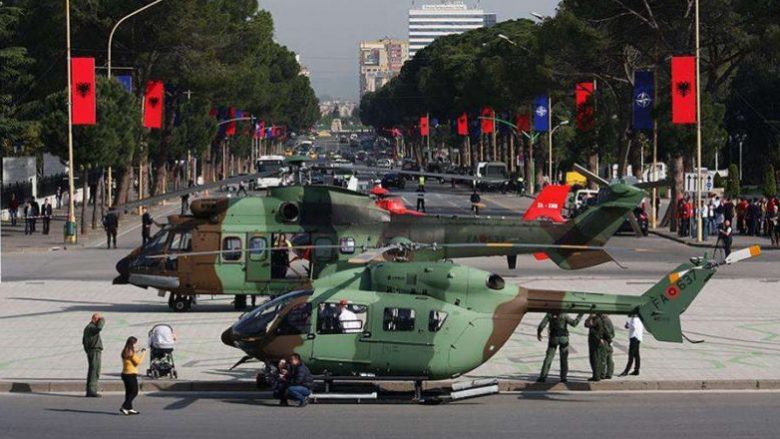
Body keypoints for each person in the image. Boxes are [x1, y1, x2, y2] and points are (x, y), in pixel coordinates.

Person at [536, 312, 583, 383]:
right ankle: (563, 377)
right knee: (564, 358)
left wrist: (539, 333)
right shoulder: (564, 315)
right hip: (564, 338)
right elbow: (574, 323)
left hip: (553, 338)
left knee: (548, 357)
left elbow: (542, 325)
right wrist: (580, 315)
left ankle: (543, 377)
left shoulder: (550, 314)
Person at [120, 336, 146, 415]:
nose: (136, 346)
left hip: (124, 374)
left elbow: (132, 353)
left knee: (128, 392)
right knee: (134, 392)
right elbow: (138, 362)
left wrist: (137, 351)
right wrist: (143, 354)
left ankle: (129, 408)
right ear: (132, 344)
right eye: (135, 344)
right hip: (131, 374)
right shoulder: (132, 354)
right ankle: (124, 406)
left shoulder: (125, 351)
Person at [82, 313, 105, 397]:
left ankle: (92, 389)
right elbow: (99, 328)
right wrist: (102, 320)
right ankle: (91, 390)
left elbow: (84, 341)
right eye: (98, 320)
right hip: (94, 350)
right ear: (95, 319)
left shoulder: (89, 328)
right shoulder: (91, 327)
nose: (99, 322)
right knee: (94, 370)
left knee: (95, 370)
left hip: (93, 350)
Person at [619, 312, 644, 376]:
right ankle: (636, 370)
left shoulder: (634, 318)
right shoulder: (640, 318)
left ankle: (626, 371)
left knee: (631, 355)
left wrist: (628, 325)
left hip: (634, 337)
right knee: (637, 355)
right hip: (638, 338)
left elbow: (634, 327)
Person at [585, 313, 605, 382]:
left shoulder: (596, 319)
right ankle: (597, 375)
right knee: (596, 359)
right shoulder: (597, 319)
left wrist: (589, 318)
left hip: (595, 342)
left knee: (595, 359)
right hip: (595, 341)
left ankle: (596, 376)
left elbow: (586, 324)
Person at [600, 313, 615, 379]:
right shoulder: (609, 320)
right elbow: (613, 333)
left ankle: (602, 374)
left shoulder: (604, 321)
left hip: (605, 341)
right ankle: (609, 373)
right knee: (610, 359)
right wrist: (611, 339)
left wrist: (605, 339)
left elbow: (606, 331)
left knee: (603, 359)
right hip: (610, 342)